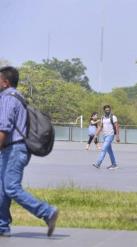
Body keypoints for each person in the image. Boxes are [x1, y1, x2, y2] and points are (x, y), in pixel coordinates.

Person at [0, 66, 58, 237]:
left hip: (15, 149)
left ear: (5, 82)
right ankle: (2, 226)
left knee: (11, 187)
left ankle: (47, 212)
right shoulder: (16, 97)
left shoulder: (8, 98)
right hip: (13, 148)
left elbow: (4, 127)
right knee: (2, 189)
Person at [92, 105, 120, 170]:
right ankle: (114, 164)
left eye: (108, 110)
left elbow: (117, 126)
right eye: (106, 110)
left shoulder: (113, 117)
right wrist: (96, 135)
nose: (107, 111)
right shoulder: (102, 118)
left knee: (103, 149)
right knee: (110, 151)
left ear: (110, 110)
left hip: (110, 135)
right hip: (105, 136)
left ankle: (98, 163)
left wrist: (117, 136)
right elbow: (100, 127)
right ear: (104, 110)